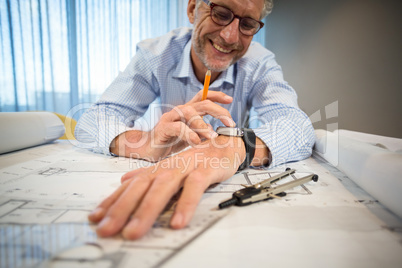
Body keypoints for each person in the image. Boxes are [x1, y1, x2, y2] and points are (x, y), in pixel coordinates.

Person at [75, 0, 315, 240]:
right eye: (220, 14)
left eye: (248, 24)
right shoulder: (156, 54)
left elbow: (298, 125)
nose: (230, 37)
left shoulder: (259, 64)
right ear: (192, 10)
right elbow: (93, 120)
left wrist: (235, 147)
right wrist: (145, 142)